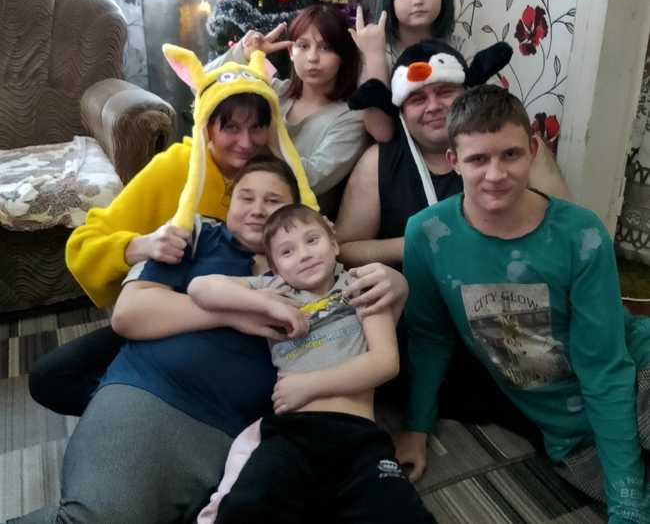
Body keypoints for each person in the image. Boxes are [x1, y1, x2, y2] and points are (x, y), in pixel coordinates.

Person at [13, 157, 407, 524]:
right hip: (153, 389)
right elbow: (130, 315)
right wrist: (244, 312)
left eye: (273, 201)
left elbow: (374, 329)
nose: (257, 209)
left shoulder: (311, 273)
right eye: (245, 197)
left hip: (234, 430)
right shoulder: (199, 234)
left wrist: (397, 282)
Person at [395, 85, 650, 523]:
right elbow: (429, 337)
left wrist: (628, 507)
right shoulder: (426, 234)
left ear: (532, 151)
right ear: (454, 161)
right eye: (478, 159)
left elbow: (604, 368)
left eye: (510, 154)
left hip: (637, 372)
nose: (495, 174)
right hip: (569, 431)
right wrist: (416, 427)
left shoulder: (581, 234)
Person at [29, 49, 317, 417]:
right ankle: (136, 409)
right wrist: (141, 245)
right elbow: (85, 242)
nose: (246, 142)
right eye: (231, 127)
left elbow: (312, 247)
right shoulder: (174, 168)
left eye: (256, 127)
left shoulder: (279, 177)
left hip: (245, 335)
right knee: (51, 377)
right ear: (207, 125)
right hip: (169, 312)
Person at [335, 39, 569, 438]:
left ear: (467, 92)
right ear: (400, 109)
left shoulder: (516, 151)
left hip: (505, 308)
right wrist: (424, 246)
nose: (432, 106)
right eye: (417, 98)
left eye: (444, 91)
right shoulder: (378, 161)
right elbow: (343, 249)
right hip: (419, 314)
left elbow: (562, 232)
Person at [187, 204, 436, 524]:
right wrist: (264, 304)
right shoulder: (273, 289)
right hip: (292, 435)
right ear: (274, 268)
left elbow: (385, 362)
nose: (304, 255)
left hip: (356, 438)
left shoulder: (360, 285)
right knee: (248, 506)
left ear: (333, 244)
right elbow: (200, 288)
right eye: (287, 251)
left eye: (312, 240)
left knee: (399, 514)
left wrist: (309, 385)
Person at [208, 3, 369, 217]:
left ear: (343, 57)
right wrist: (243, 54)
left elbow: (311, 179)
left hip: (293, 224)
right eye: (303, 46)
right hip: (234, 209)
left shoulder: (350, 117)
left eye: (326, 48)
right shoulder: (273, 90)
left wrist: (267, 131)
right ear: (291, 52)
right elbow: (203, 87)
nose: (313, 57)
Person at [349, 0, 473, 143]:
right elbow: (382, 132)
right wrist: (374, 56)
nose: (418, 0)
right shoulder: (378, 52)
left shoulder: (461, 49)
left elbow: (488, 113)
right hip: (397, 149)